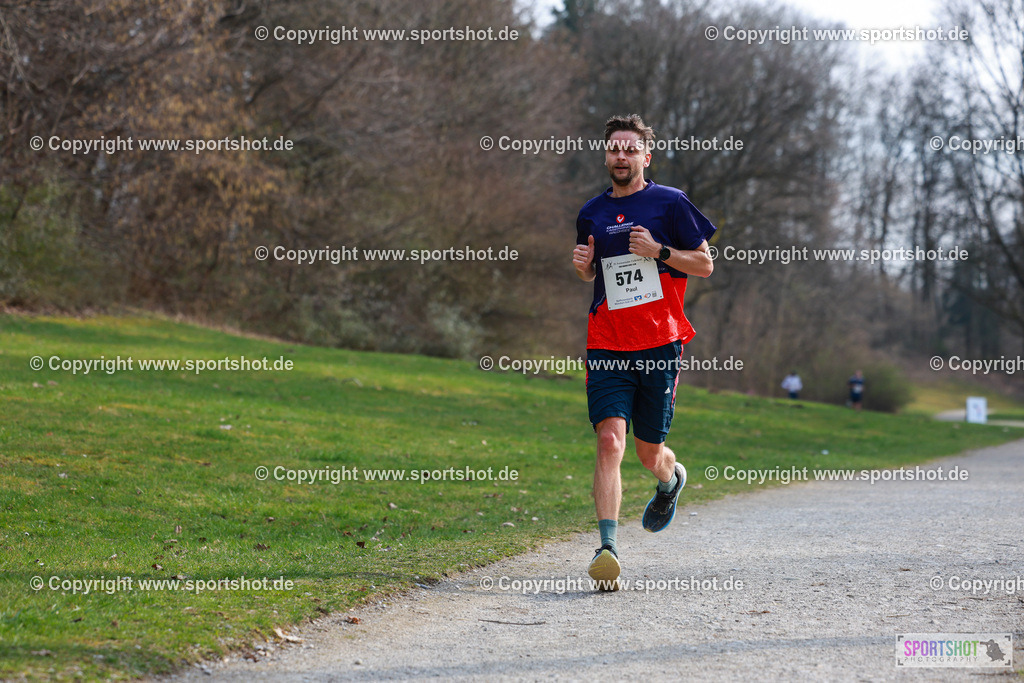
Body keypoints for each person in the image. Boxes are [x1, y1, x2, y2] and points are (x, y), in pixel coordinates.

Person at [572, 114, 716, 590]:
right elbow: (592, 275)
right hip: (607, 342)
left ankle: (670, 480)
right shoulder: (591, 212)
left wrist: (660, 251)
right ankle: (607, 548)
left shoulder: (670, 203)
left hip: (659, 342)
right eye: (614, 148)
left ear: (645, 157)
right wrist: (584, 268)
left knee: (647, 452)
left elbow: (705, 264)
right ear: (606, 155)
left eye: (630, 149)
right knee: (609, 441)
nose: (621, 155)